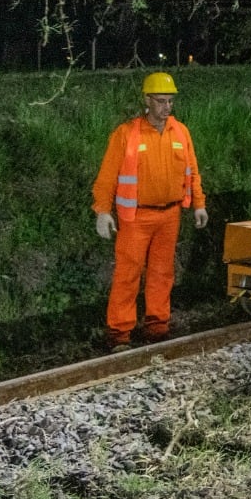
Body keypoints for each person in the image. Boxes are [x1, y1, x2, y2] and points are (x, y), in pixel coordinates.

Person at [92, 72, 208, 351]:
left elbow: (192, 172)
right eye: (160, 101)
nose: (166, 106)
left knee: (162, 273)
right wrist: (102, 211)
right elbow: (107, 176)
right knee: (127, 274)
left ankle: (157, 329)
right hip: (136, 218)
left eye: (170, 101)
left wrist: (199, 204)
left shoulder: (180, 132)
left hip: (169, 216)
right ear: (146, 99)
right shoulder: (126, 134)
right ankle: (119, 334)